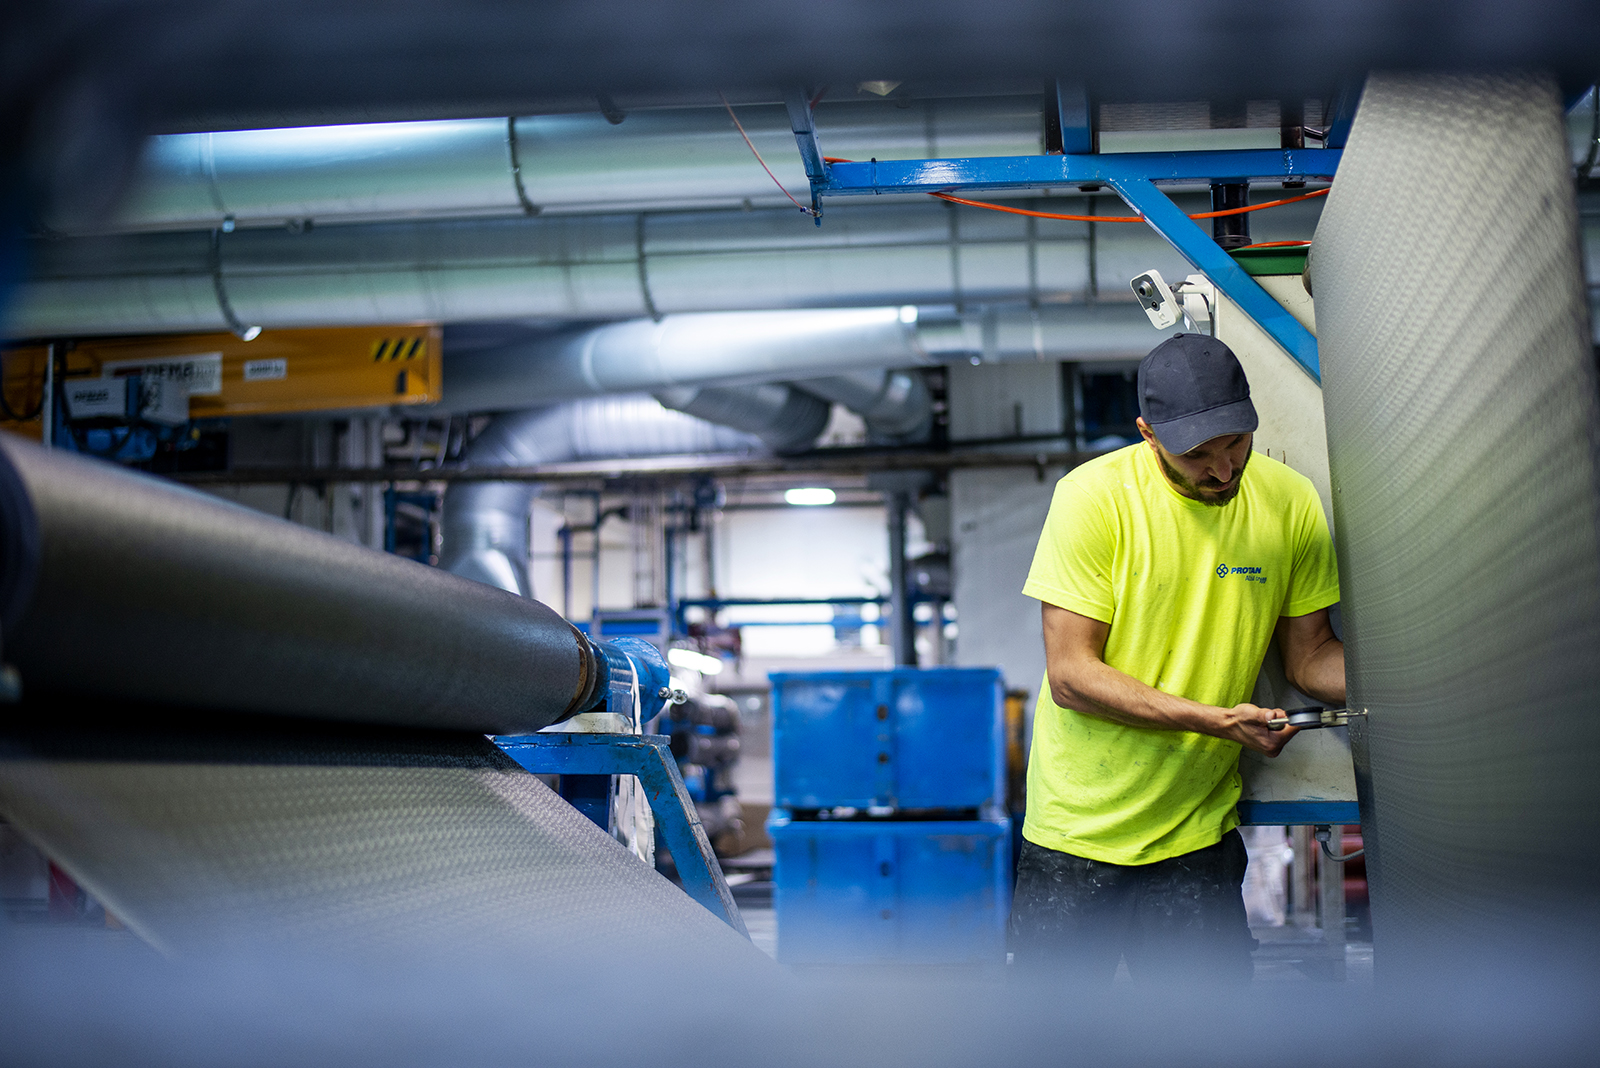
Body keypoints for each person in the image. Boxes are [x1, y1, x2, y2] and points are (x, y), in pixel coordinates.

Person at [1009, 332, 1345, 984]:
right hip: (1077, 834)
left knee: (1207, 1040)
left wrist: (1416, 679)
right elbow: (1073, 675)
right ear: (1148, 432)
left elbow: (1311, 661)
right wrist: (1215, 721)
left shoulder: (1288, 502)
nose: (1223, 470)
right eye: (1198, 455)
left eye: (1236, 445)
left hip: (1196, 835)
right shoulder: (1094, 499)